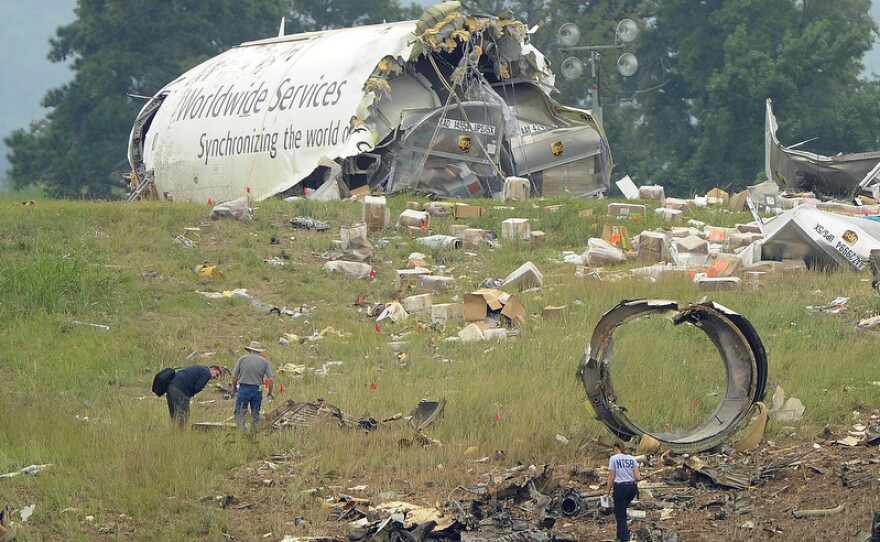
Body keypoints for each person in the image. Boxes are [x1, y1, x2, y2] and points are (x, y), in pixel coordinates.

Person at [231, 341, 275, 432]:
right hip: (257, 390)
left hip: (243, 389)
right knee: (255, 414)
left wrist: (234, 388)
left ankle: (242, 432)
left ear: (250, 350)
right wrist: (270, 392)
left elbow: (234, 376)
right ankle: (254, 434)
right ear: (259, 351)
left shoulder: (242, 359)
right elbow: (271, 379)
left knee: (240, 413)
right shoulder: (265, 362)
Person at [605, 440, 641, 542]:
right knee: (621, 511)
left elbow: (611, 477)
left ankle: (624, 539)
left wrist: (607, 492)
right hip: (632, 488)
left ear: (616, 448)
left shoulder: (613, 459)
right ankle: (619, 536)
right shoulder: (631, 458)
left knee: (621, 516)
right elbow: (638, 477)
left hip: (620, 488)